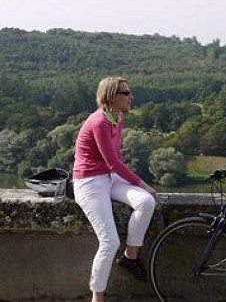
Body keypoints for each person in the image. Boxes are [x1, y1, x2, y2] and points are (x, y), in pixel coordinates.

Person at [72, 77, 157, 302]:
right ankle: (97, 296)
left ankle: (131, 256)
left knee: (147, 202)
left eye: (130, 92)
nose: (131, 97)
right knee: (109, 241)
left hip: (109, 178)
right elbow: (113, 161)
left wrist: (141, 189)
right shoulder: (99, 121)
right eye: (126, 93)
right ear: (111, 96)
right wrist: (142, 183)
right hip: (89, 183)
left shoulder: (116, 118)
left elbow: (114, 161)